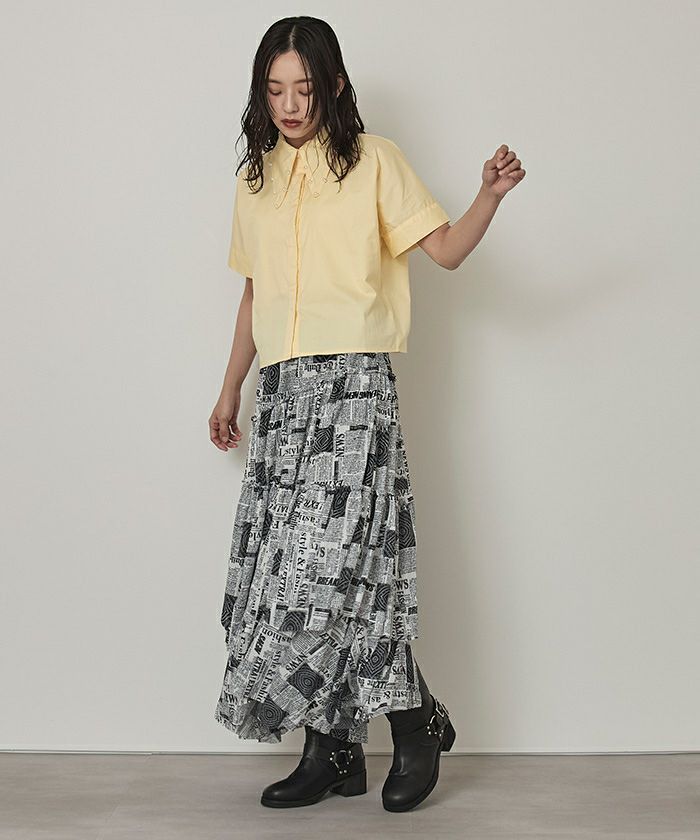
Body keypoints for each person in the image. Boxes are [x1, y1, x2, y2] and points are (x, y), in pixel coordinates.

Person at [210, 16, 525, 813]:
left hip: (353, 388)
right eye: (275, 90)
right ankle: (334, 751)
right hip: (282, 393)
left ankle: (416, 723)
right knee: (293, 579)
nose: (289, 105)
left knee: (340, 573)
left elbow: (445, 250)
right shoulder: (255, 179)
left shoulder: (375, 161)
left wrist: (488, 196)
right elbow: (254, 293)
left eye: (304, 88)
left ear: (335, 86)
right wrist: (229, 388)